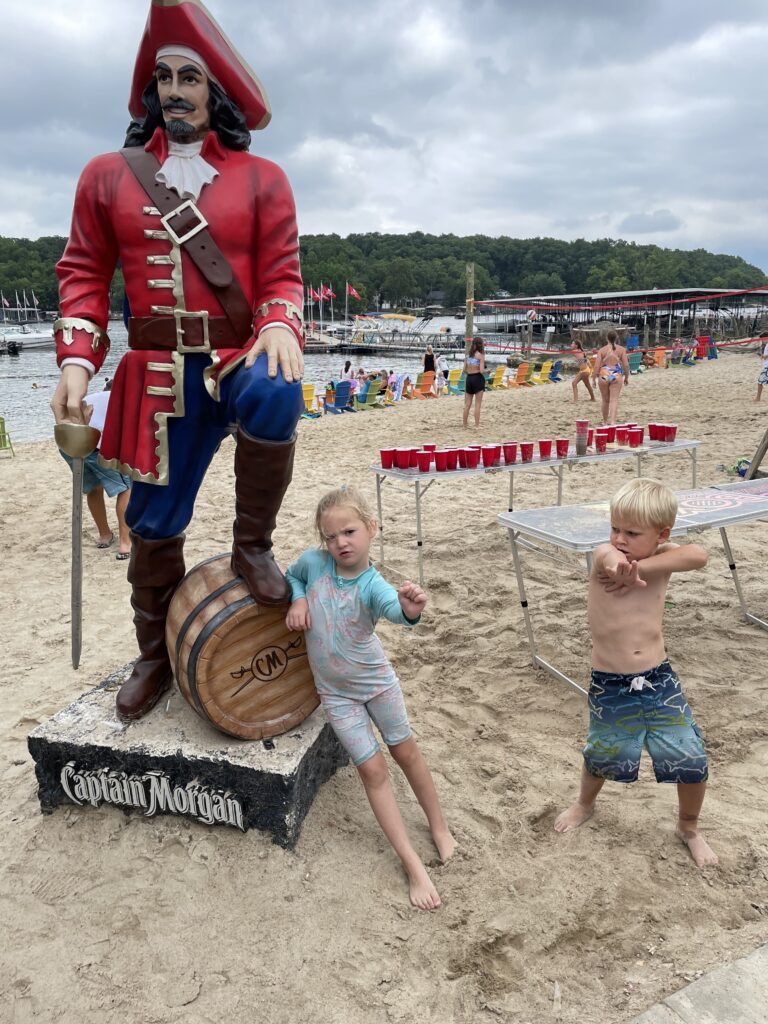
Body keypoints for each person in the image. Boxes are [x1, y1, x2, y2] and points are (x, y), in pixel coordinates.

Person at [50, 0, 305, 720]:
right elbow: (83, 273)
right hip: (157, 372)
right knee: (154, 524)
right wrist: (76, 361)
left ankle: (252, 547)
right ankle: (155, 654)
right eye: (162, 77)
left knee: (277, 391)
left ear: (214, 90)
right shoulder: (106, 175)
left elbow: (283, 276)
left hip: (234, 354)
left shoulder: (264, 179)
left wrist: (282, 323)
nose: (173, 90)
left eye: (188, 76)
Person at [285, 486, 456, 909]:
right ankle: (412, 862)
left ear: (370, 529)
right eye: (331, 536)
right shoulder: (313, 564)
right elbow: (291, 574)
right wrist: (298, 597)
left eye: (349, 531)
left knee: (407, 753)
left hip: (378, 686)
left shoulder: (373, 585)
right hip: (336, 696)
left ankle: (439, 827)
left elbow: (397, 612)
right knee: (374, 772)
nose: (341, 542)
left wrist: (411, 608)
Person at [554, 478, 717, 868]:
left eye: (631, 533)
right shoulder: (605, 555)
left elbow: (699, 555)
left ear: (662, 535)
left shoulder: (660, 557)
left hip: (659, 678)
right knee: (604, 753)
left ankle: (689, 827)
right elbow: (608, 559)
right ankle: (584, 804)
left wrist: (645, 564)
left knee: (691, 760)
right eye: (615, 528)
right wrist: (622, 565)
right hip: (611, 683)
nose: (620, 539)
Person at [58, 380, 132, 559]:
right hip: (96, 442)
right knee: (126, 489)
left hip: (68, 445)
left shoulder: (92, 397)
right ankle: (125, 543)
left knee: (94, 488)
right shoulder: (122, 399)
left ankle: (105, 535)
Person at [591, 330, 629, 424]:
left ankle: (604, 421)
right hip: (616, 374)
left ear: (607, 338)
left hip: (604, 374)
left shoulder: (602, 350)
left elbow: (596, 366)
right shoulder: (621, 349)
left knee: (605, 400)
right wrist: (626, 377)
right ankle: (612, 422)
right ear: (616, 338)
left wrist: (594, 379)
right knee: (614, 400)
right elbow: (626, 365)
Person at [462, 337, 486, 428]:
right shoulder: (480, 356)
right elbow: (481, 371)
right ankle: (477, 426)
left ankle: (465, 425)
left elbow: (464, 370)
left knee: (467, 404)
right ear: (481, 345)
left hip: (469, 379)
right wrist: (487, 371)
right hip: (477, 379)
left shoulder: (467, 356)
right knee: (478, 404)